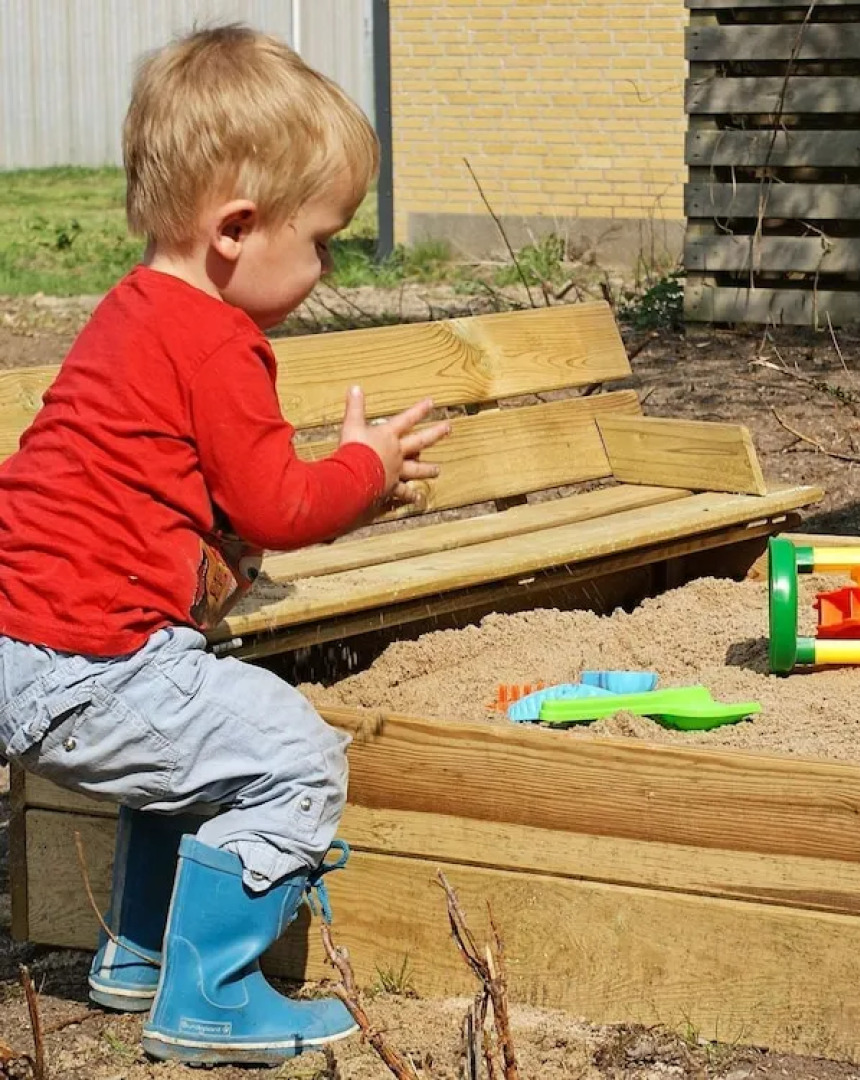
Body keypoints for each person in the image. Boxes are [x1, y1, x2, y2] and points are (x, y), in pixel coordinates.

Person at [0, 26, 449, 1065]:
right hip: (94, 662)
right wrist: (368, 469)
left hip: (25, 642)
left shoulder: (130, 313)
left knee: (198, 754)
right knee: (293, 758)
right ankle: (212, 998)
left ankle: (140, 952)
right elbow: (282, 506)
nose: (327, 266)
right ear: (237, 228)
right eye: (323, 240)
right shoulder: (216, 343)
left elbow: (175, 497)